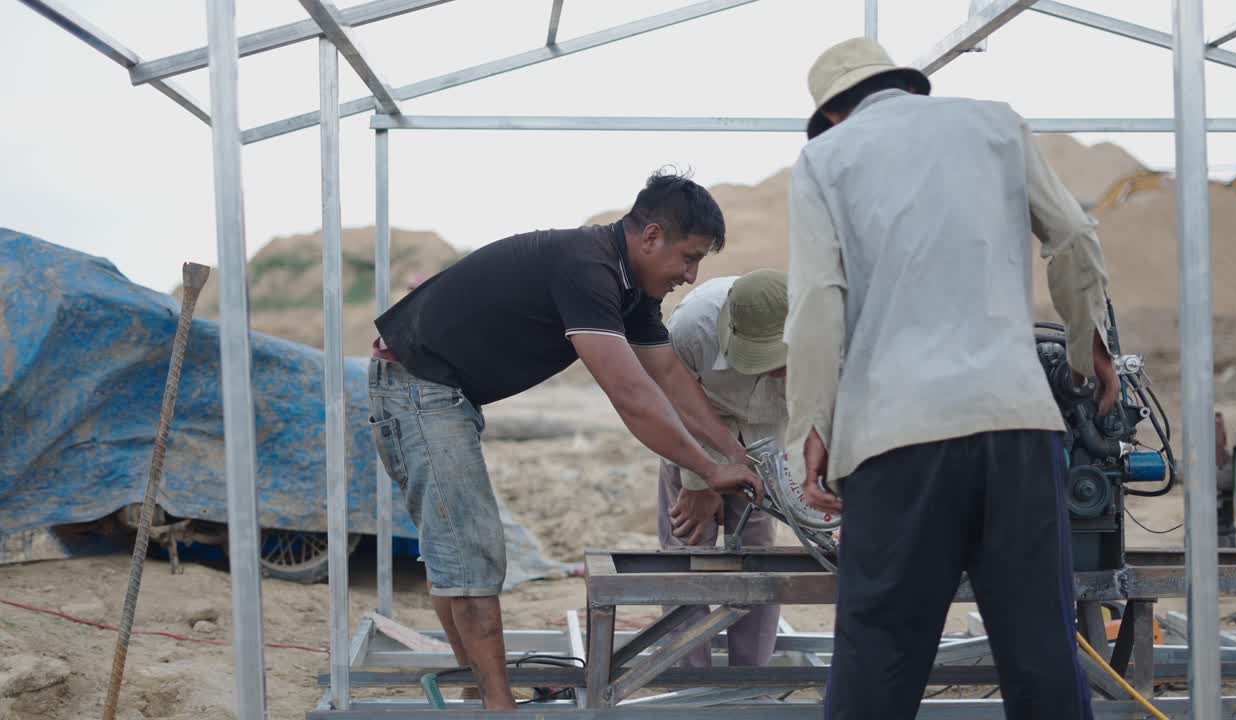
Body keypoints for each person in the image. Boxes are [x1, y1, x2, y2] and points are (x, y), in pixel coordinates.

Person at [784, 38, 1120, 719]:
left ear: (831, 116)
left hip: (895, 436)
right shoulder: (996, 123)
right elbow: (1076, 239)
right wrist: (1089, 354)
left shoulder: (824, 159)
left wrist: (810, 428)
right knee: (1042, 651)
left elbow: (818, 299)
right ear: (909, 88)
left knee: (877, 655)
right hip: (1017, 426)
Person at [367, 168, 764, 709]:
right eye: (688, 258)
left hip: (441, 391)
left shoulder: (631, 288)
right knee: (473, 556)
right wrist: (710, 469)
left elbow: (670, 377)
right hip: (418, 388)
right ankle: (498, 704)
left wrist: (733, 453)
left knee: (457, 553)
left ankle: (476, 684)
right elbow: (631, 395)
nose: (691, 276)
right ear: (651, 237)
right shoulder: (587, 268)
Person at [657, 269, 789, 669]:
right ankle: (690, 687)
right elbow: (672, 405)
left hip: (767, 440)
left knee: (758, 558)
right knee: (688, 550)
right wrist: (701, 479)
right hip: (693, 434)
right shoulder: (690, 327)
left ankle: (751, 684)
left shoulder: (829, 329)